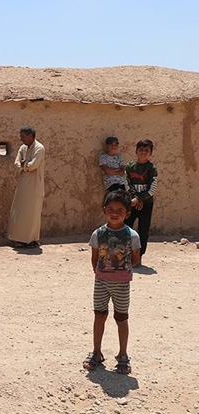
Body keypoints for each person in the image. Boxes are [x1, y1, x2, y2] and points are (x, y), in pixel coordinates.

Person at [83, 190, 140, 375]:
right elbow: (94, 259)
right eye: (111, 209)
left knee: (121, 319)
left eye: (120, 210)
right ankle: (96, 352)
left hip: (122, 284)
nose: (114, 213)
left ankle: (123, 355)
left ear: (127, 214)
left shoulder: (132, 236)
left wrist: (118, 268)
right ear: (104, 210)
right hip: (101, 282)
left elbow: (136, 259)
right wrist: (102, 272)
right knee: (99, 316)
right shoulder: (98, 234)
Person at [7, 126, 46, 248]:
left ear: (31, 136)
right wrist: (25, 166)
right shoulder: (23, 148)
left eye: (23, 136)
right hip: (23, 183)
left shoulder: (39, 148)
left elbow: (33, 165)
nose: (21, 139)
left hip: (35, 185)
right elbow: (17, 163)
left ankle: (31, 239)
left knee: (32, 212)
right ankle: (19, 238)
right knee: (20, 210)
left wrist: (25, 166)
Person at [124, 139, 158, 264]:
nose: (143, 152)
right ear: (136, 151)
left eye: (146, 150)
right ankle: (125, 255)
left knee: (143, 230)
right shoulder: (129, 167)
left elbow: (152, 188)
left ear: (150, 153)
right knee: (126, 228)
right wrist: (134, 198)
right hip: (131, 203)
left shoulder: (152, 168)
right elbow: (127, 184)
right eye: (141, 149)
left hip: (147, 204)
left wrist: (140, 198)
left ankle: (138, 257)